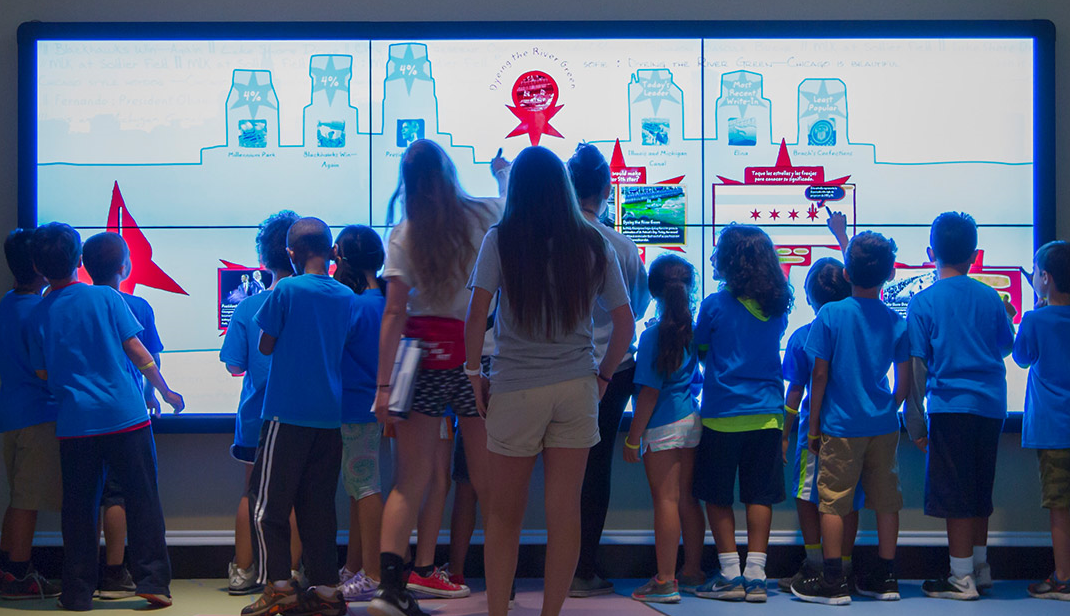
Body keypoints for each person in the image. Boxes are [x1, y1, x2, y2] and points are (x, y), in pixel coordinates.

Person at [464, 145, 635, 616]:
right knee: (566, 515)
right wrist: (602, 375)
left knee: (503, 515)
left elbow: (476, 313)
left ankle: (498, 610)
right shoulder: (593, 242)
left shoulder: (502, 239)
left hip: (515, 387)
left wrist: (474, 373)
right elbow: (625, 324)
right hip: (576, 388)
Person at [368, 139, 508, 616]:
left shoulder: (404, 233)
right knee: (490, 480)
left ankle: (390, 591)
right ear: (448, 172)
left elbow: (393, 313)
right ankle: (501, 583)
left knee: (410, 479)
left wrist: (383, 386)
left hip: (418, 358)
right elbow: (511, 206)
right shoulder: (482, 214)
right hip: (476, 358)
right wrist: (502, 174)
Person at [26, 222, 183, 611]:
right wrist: (163, 390)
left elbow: (43, 374)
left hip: (76, 424)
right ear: (79, 260)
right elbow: (137, 351)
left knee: (78, 511)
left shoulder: (38, 314)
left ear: (39, 267)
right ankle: (154, 584)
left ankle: (77, 592)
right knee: (143, 501)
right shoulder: (107, 299)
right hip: (126, 417)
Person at [242, 217, 378, 616]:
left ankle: (279, 588)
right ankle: (325, 592)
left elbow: (265, 345)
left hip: (287, 414)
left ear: (291, 253)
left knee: (268, 505)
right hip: (328, 418)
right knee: (318, 508)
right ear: (330, 250)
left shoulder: (286, 289)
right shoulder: (345, 296)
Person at [790, 232, 909, 605]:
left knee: (834, 502)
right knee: (887, 502)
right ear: (891, 274)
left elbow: (819, 376)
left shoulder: (831, 314)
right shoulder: (896, 320)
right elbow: (905, 381)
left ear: (846, 272)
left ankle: (833, 580)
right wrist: (888, 408)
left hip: (839, 426)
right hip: (883, 424)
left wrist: (812, 427)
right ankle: (887, 576)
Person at [903, 212, 1015, 600]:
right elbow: (1005, 347)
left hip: (950, 407)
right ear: (974, 255)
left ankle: (959, 577)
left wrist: (914, 422)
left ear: (931, 252)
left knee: (954, 495)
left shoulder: (923, 302)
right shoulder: (990, 297)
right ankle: (980, 568)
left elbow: (917, 366)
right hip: (991, 407)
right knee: (979, 489)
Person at [566, 143, 652, 598]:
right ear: (605, 190)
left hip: (552, 369)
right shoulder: (622, 246)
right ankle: (583, 570)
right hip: (608, 373)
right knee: (594, 471)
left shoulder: (544, 237)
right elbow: (634, 309)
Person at [692, 224, 791, 603]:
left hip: (722, 415)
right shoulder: (777, 306)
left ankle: (730, 573)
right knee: (759, 496)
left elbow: (700, 346)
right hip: (767, 415)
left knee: (717, 495)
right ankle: (757, 575)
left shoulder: (715, 304)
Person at [219, 211, 303, 595]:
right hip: (302, 415)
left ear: (262, 260)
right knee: (298, 495)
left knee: (252, 491)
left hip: (256, 418)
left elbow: (235, 366)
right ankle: (294, 571)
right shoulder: (313, 302)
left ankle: (244, 569)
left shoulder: (247, 308)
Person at [81, 231, 168, 600]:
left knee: (90, 497)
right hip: (126, 411)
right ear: (125, 266)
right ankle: (118, 573)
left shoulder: (76, 303)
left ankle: (91, 577)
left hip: (83, 415)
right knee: (123, 494)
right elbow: (148, 355)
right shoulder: (138, 306)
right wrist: (155, 392)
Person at [622, 254, 704, 604]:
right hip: (690, 421)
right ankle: (692, 571)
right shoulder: (691, 329)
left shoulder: (654, 335)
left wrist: (632, 438)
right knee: (687, 498)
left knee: (665, 501)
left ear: (653, 290)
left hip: (662, 427)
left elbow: (649, 394)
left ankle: (665, 581)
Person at [778, 257, 862, 594]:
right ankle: (844, 564)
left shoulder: (802, 337)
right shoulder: (858, 329)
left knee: (806, 496)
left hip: (816, 434)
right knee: (849, 499)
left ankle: (815, 565)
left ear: (810, 298)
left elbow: (794, 393)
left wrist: (784, 435)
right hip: (855, 429)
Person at [0, 229, 62, 600]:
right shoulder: (40, 312)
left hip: (10, 415)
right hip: (38, 416)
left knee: (17, 495)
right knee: (27, 500)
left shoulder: (7, 303)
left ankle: (10, 568)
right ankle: (20, 576)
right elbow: (48, 368)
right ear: (40, 267)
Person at [331, 225, 388, 602]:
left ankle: (372, 573)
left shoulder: (354, 306)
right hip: (373, 407)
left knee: (364, 487)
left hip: (355, 407)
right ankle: (354, 567)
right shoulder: (385, 300)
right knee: (357, 486)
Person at [1012, 240, 1070, 601]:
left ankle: (1063, 578)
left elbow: (1021, 357)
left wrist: (1018, 318)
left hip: (1053, 430)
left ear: (1045, 278)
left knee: (1060, 507)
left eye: (1035, 273)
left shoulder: (1034, 319)